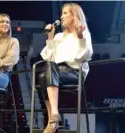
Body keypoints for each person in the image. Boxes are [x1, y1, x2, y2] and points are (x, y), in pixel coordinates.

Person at [39, 3, 93, 133]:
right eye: (62, 13)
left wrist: (80, 38)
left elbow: (84, 56)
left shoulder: (84, 33)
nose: (61, 17)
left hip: (74, 72)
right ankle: (53, 119)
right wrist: (50, 37)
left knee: (48, 72)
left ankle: (54, 117)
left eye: (65, 13)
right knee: (42, 75)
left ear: (74, 16)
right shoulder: (59, 37)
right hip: (56, 71)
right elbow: (48, 57)